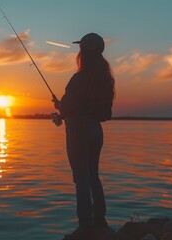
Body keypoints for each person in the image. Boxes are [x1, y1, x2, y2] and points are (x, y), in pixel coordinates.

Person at [52, 32, 115, 240]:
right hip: (96, 131)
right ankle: (100, 221)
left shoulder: (79, 78)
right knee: (93, 176)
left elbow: (69, 107)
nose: (78, 52)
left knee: (81, 179)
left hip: (78, 131)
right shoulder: (106, 79)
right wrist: (66, 112)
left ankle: (85, 228)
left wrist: (60, 109)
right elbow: (105, 113)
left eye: (80, 48)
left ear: (84, 52)